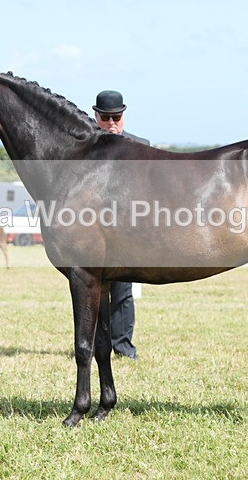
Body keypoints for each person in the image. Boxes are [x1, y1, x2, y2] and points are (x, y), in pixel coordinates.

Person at [92, 90, 149, 360]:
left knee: (123, 291)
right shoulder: (83, 148)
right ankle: (92, 345)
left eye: (117, 117)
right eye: (106, 118)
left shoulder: (141, 146)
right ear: (96, 116)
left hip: (127, 231)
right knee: (91, 291)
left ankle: (123, 346)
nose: (112, 122)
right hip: (91, 230)